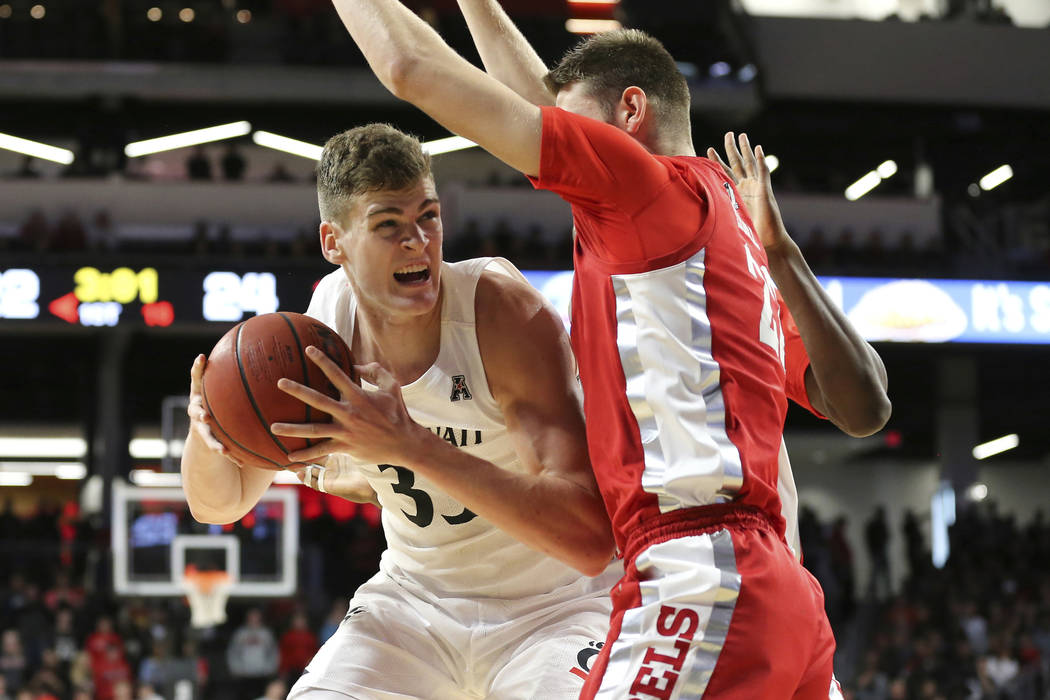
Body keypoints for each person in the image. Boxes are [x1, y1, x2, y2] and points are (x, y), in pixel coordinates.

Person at [325, 2, 891, 697]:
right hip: (781, 588)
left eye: (576, 127)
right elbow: (864, 405)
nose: (558, 150)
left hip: (702, 571)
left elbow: (410, 68)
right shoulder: (729, 248)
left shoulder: (641, 191)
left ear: (631, 113)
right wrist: (782, 252)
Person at [181, 123, 619, 698]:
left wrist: (409, 445)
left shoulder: (503, 314)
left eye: (429, 217)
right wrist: (208, 430)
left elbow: (590, 540)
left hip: (556, 607)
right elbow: (219, 503)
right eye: (389, 224)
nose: (418, 241)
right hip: (415, 602)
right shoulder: (325, 328)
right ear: (333, 243)